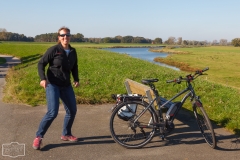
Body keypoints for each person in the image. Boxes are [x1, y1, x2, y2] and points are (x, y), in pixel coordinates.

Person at [32, 26, 80, 150]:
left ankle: (66, 134)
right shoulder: (54, 50)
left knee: (72, 110)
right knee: (53, 112)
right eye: (63, 35)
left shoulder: (73, 51)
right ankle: (39, 137)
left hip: (66, 85)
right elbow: (41, 63)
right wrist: (43, 79)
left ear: (70, 37)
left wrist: (76, 79)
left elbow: (74, 67)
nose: (65, 37)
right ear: (59, 37)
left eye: (68, 35)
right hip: (52, 84)